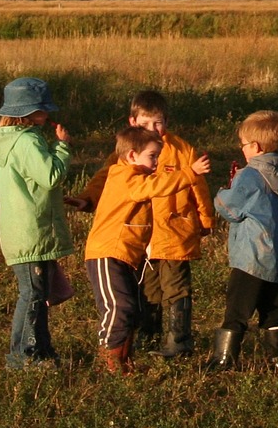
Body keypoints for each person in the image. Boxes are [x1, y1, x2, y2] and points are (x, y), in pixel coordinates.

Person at [67, 91, 215, 358]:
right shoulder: (127, 154)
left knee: (176, 287)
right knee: (146, 290)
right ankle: (147, 339)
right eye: (147, 124)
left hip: (174, 232)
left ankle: (178, 343)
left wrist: (205, 219)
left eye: (158, 123)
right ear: (133, 122)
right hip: (141, 240)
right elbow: (106, 180)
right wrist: (87, 199)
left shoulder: (181, 150)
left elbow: (198, 189)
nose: (153, 130)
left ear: (167, 122)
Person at [81, 125, 196, 373]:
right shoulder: (126, 176)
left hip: (126, 256)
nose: (156, 162)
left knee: (131, 307)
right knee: (118, 307)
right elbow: (155, 188)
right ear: (132, 155)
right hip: (107, 253)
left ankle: (124, 360)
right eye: (152, 156)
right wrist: (189, 173)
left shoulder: (136, 176)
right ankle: (109, 361)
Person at [0, 76, 72, 369]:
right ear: (29, 113)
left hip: (20, 230)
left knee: (36, 294)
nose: (48, 115)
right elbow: (50, 177)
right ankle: (23, 357)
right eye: (43, 110)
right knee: (32, 295)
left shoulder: (7, 141)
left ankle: (41, 352)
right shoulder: (28, 140)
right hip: (33, 231)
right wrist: (62, 147)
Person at [211, 109, 278, 371]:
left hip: (251, 256)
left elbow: (229, 210)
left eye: (244, 145)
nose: (242, 149)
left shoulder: (249, 175)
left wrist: (223, 191)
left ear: (255, 147)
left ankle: (224, 360)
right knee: (273, 308)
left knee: (237, 309)